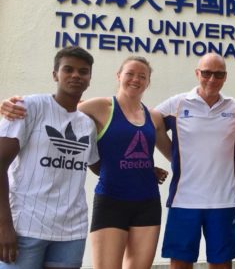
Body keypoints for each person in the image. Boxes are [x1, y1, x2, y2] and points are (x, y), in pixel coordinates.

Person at [0, 56, 171, 269]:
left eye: (142, 76)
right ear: (119, 76)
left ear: (148, 81)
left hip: (146, 201)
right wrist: (8, 106)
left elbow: (174, 156)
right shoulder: (97, 107)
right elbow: (63, 111)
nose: (136, 79)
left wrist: (145, 168)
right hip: (110, 200)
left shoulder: (153, 116)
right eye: (130, 74)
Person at [0, 46, 99, 269]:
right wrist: (3, 224)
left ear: (89, 79)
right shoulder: (28, 107)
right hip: (26, 227)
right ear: (55, 74)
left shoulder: (87, 124)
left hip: (71, 231)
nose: (76, 75)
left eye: (83, 71)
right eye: (68, 69)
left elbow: (99, 166)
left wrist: (144, 169)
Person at [154, 53, 235, 269]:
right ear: (197, 73)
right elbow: (144, 124)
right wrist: (172, 155)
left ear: (225, 77)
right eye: (206, 73)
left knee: (222, 263)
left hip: (222, 200)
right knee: (180, 262)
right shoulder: (177, 103)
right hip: (184, 200)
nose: (212, 79)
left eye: (219, 74)